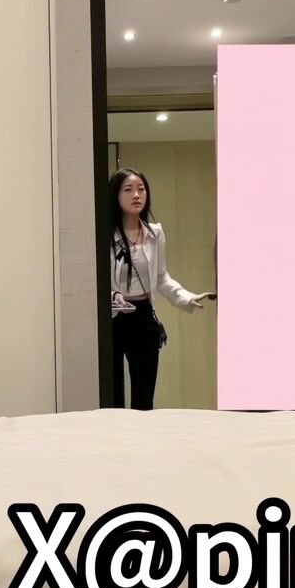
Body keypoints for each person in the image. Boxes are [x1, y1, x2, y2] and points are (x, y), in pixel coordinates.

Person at [109, 168, 213, 410]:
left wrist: (185, 297)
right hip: (112, 319)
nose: (137, 195)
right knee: (111, 397)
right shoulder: (105, 234)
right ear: (115, 195)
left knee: (144, 397)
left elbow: (161, 277)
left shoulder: (154, 233)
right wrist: (112, 296)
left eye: (141, 189)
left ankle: (141, 434)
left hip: (143, 316)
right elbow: (96, 281)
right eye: (128, 190)